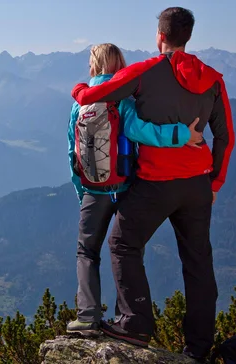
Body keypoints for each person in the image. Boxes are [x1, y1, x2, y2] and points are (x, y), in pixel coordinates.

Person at [71, 7, 235, 361]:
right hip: (197, 186)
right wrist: (216, 182)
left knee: (121, 243)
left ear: (160, 36)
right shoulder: (213, 79)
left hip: (155, 183)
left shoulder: (144, 72)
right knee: (198, 262)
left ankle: (135, 323)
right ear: (187, 36)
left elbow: (91, 97)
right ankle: (199, 348)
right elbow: (225, 137)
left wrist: (79, 87)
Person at [66, 43, 200, 336]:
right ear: (120, 65)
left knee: (87, 252)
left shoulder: (80, 104)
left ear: (93, 65)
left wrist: (83, 190)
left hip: (94, 190)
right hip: (126, 186)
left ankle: (87, 317)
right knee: (125, 251)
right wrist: (180, 133)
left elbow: (72, 153)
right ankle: (122, 317)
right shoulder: (122, 99)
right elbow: (142, 132)